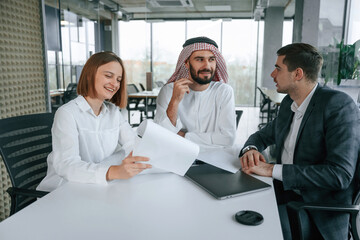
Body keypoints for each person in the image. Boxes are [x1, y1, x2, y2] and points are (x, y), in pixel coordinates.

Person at [239, 43, 360, 240]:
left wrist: (271, 169)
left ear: (297, 74)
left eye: (278, 68)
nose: (272, 74)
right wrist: (251, 149)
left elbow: (339, 175)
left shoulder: (338, 106)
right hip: (284, 192)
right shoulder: (289, 103)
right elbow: (261, 135)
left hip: (315, 210)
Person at [37, 51, 152, 192]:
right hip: (63, 189)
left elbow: (132, 143)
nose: (115, 84)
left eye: (118, 79)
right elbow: (67, 165)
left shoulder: (113, 112)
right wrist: (113, 171)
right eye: (108, 76)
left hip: (96, 187)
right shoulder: (67, 113)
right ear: (90, 75)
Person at [154, 36, 236, 152]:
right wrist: (175, 101)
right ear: (186, 63)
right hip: (177, 155)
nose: (207, 66)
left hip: (215, 158)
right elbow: (161, 135)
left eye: (211, 59)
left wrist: (182, 136)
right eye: (199, 59)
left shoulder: (224, 91)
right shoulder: (169, 91)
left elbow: (228, 139)